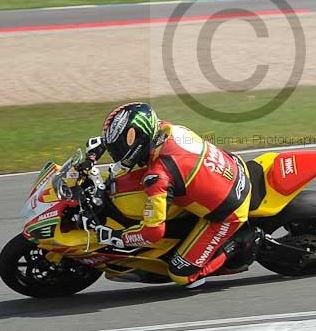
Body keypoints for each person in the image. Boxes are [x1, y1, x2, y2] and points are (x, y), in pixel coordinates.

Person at [83, 102, 254, 288]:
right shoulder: (164, 129)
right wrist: (94, 154)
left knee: (181, 274)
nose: (119, 152)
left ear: (140, 136)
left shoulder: (159, 175)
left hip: (229, 211)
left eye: (124, 142)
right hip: (233, 167)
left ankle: (239, 243)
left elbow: (152, 233)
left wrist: (115, 236)